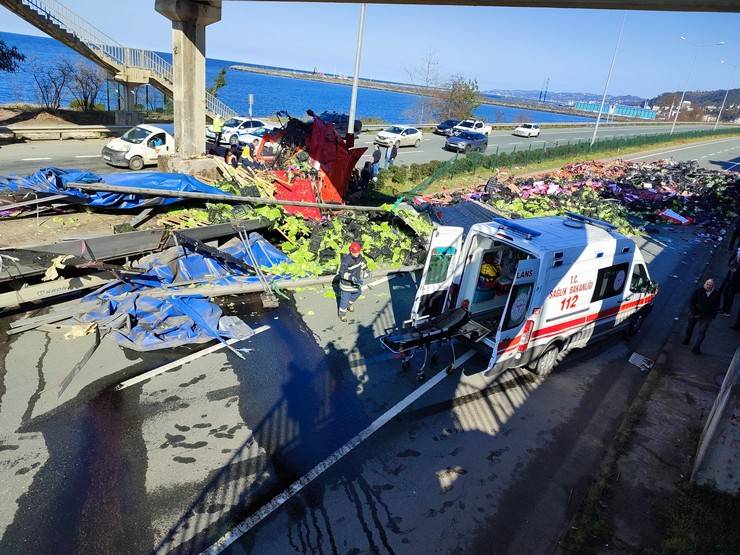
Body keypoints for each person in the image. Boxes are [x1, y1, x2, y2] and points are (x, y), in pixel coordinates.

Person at [682, 278, 721, 354]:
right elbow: (691, 302)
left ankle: (696, 348)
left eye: (711, 285)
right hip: (695, 313)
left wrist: (712, 317)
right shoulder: (699, 290)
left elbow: (716, 307)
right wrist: (695, 313)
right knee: (689, 327)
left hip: (706, 316)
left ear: (713, 286)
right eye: (707, 284)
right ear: (705, 284)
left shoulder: (716, 294)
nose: (709, 286)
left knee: (702, 331)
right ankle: (687, 339)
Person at [337, 242, 368, 322]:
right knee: (344, 300)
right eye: (355, 252)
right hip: (347, 285)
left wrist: (366, 270)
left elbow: (362, 263)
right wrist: (352, 278)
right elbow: (342, 273)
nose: (357, 254)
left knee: (358, 292)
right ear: (351, 251)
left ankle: (349, 305)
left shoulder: (359, 256)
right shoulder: (346, 261)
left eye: (358, 252)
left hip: (356, 282)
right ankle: (342, 315)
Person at [720, 249, 740, 316]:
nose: (737, 257)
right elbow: (731, 269)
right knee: (725, 293)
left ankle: (727, 311)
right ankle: (724, 308)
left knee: (730, 296)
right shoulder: (736, 262)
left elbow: (734, 271)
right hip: (730, 281)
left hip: (735, 284)